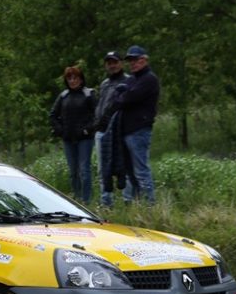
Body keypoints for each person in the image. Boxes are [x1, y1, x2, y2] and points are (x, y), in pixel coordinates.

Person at [114, 45, 160, 204]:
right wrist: (123, 96)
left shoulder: (149, 78)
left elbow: (128, 98)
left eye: (136, 59)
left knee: (141, 170)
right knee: (128, 170)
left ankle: (149, 204)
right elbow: (118, 99)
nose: (133, 63)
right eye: (130, 60)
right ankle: (131, 203)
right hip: (127, 130)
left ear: (144, 60)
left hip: (140, 130)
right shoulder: (132, 79)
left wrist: (123, 95)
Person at [49, 65, 97, 204]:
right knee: (73, 171)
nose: (72, 81)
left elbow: (97, 116)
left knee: (84, 170)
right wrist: (60, 130)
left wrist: (87, 129)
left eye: (75, 77)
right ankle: (77, 199)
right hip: (68, 138)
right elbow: (52, 115)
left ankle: (87, 200)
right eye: (69, 78)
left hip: (84, 138)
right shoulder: (63, 96)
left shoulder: (89, 94)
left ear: (81, 79)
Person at [94, 51, 130, 207]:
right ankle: (106, 203)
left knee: (125, 167)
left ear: (121, 63)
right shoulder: (104, 84)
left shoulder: (128, 81)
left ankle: (128, 201)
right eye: (109, 63)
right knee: (103, 169)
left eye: (115, 62)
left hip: (119, 130)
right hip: (101, 130)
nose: (112, 65)